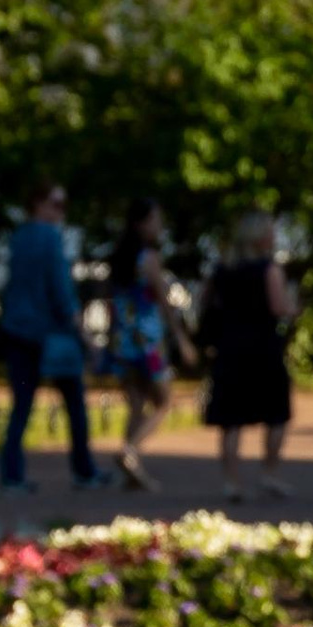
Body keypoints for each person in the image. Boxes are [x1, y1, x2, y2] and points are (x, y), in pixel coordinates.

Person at [0, 184, 107, 493]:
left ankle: (11, 474)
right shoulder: (50, 238)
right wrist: (85, 336)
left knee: (21, 404)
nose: (61, 211)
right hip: (51, 335)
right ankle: (84, 470)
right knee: (74, 403)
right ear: (37, 203)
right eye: (56, 203)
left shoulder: (19, 238)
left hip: (17, 330)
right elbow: (61, 291)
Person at [197, 210, 296, 500]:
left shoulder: (222, 270)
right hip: (263, 347)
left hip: (229, 347)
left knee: (231, 419)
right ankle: (269, 472)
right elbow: (278, 307)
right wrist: (293, 309)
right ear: (261, 237)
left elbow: (205, 301)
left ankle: (231, 481)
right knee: (276, 413)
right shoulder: (269, 270)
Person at [109, 202, 178, 492]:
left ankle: (130, 473)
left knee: (136, 405)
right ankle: (130, 451)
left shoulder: (120, 257)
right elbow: (163, 300)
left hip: (124, 339)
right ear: (142, 223)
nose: (159, 226)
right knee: (164, 403)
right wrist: (181, 338)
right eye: (156, 220)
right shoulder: (148, 258)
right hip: (147, 342)